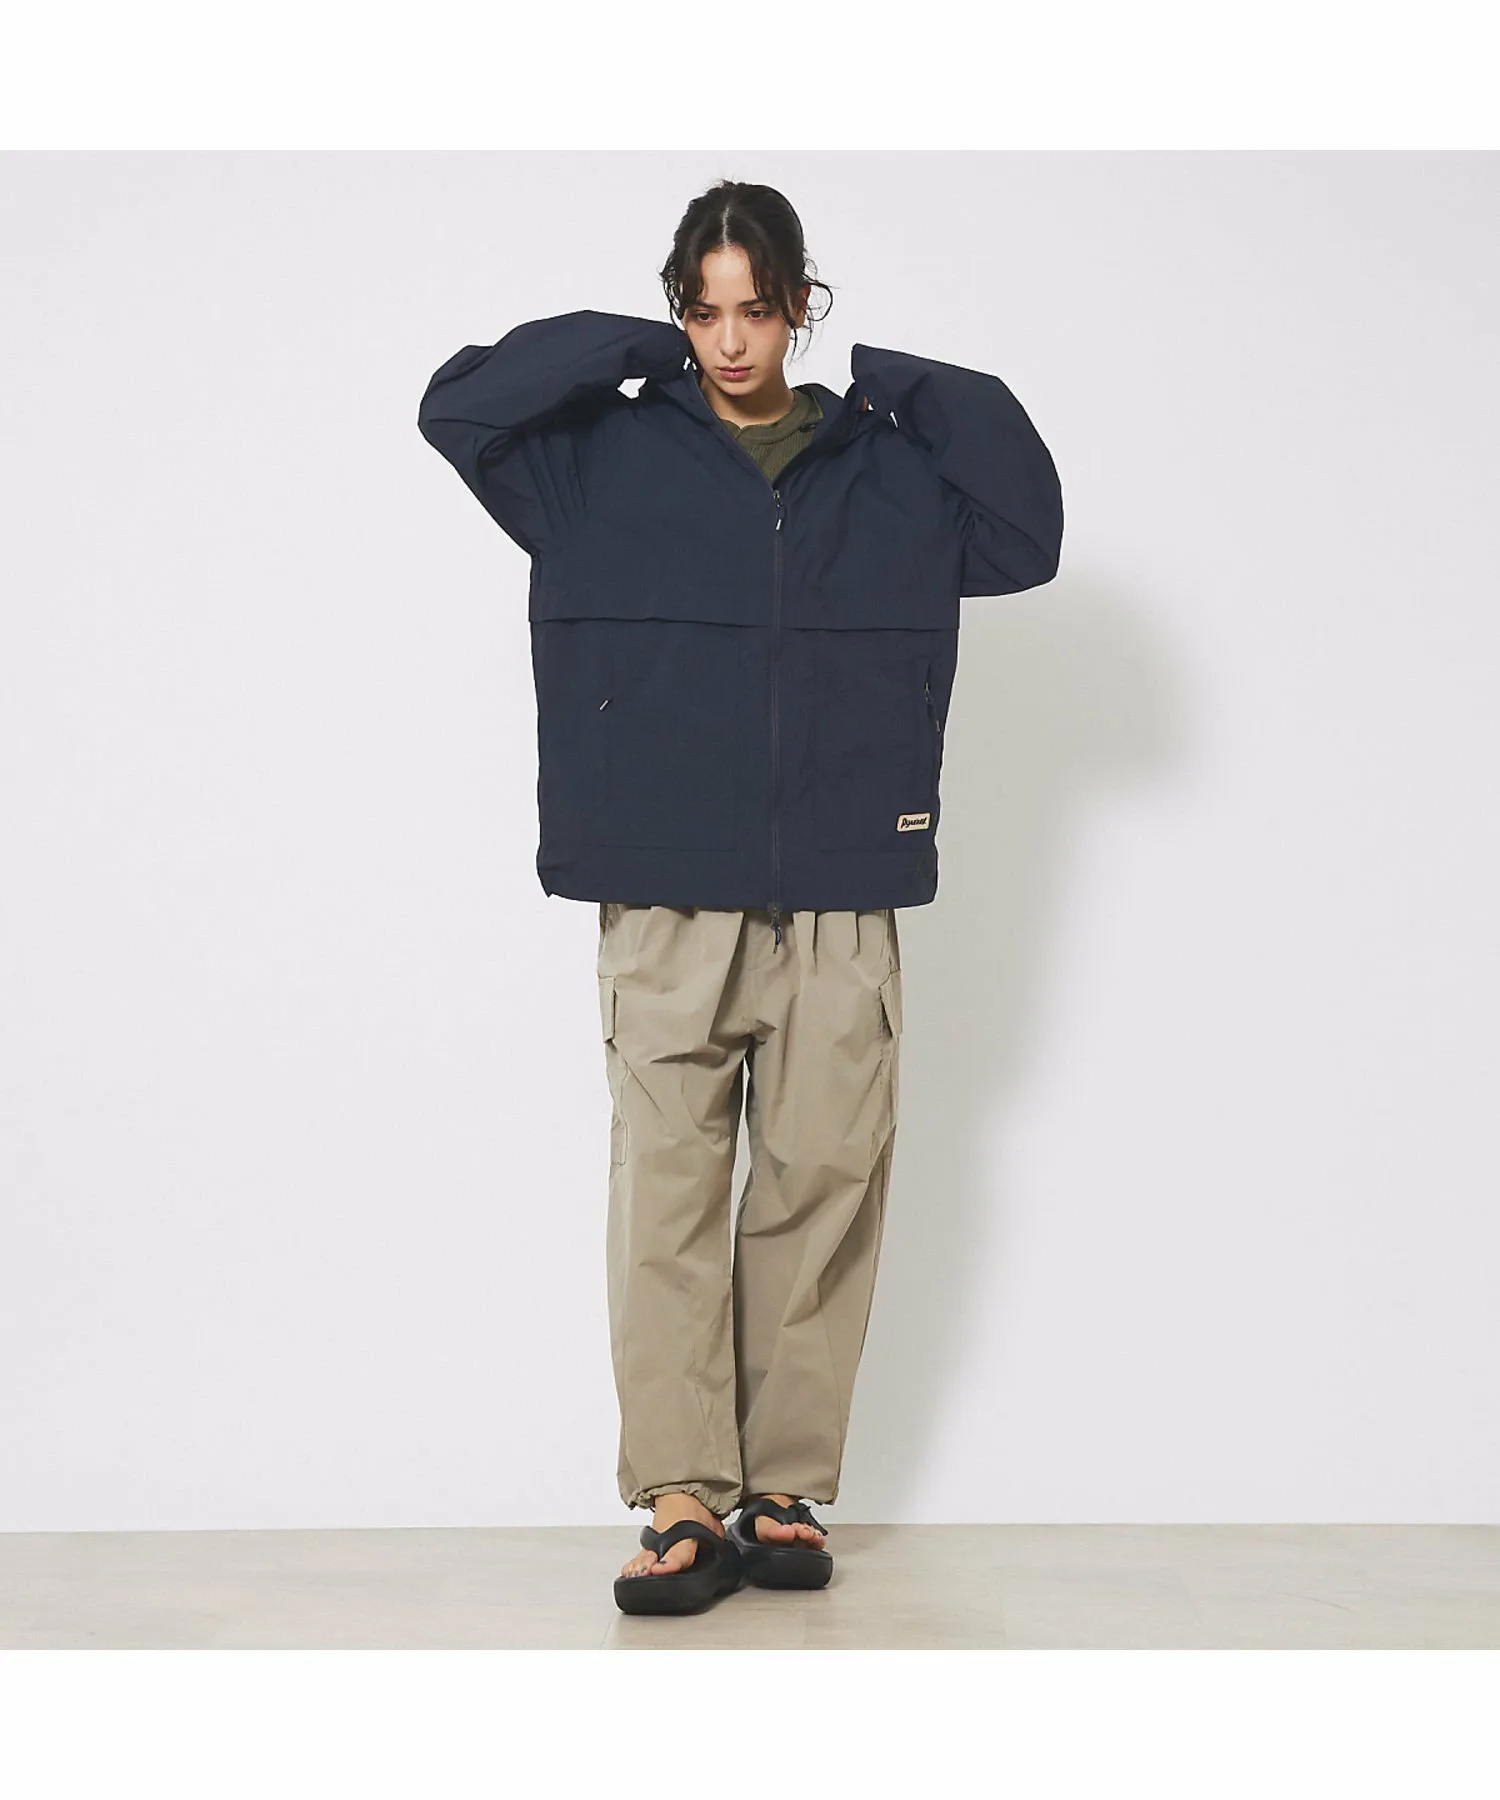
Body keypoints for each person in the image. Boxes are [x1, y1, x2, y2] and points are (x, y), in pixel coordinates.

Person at [417, 178, 1064, 1616]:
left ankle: (782, 1489)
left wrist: (896, 381)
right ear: (678, 311)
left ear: (800, 308)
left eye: (757, 310)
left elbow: (1029, 530)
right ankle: (680, 1494)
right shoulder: (595, 458)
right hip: (665, 886)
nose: (729, 341)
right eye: (704, 311)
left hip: (839, 881)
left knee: (820, 1186)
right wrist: (622, 351)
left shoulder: (887, 468)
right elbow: (457, 407)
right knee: (668, 1191)